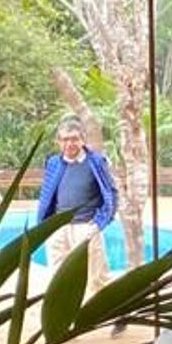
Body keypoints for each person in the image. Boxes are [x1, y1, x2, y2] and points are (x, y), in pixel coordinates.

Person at [36, 117, 121, 325]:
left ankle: (116, 314)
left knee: (97, 276)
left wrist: (98, 224)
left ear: (82, 140)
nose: (69, 144)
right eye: (64, 140)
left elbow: (111, 194)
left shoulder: (96, 162)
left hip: (86, 226)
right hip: (58, 227)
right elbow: (47, 194)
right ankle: (62, 320)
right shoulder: (54, 163)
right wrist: (45, 225)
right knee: (58, 277)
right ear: (59, 142)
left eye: (74, 139)